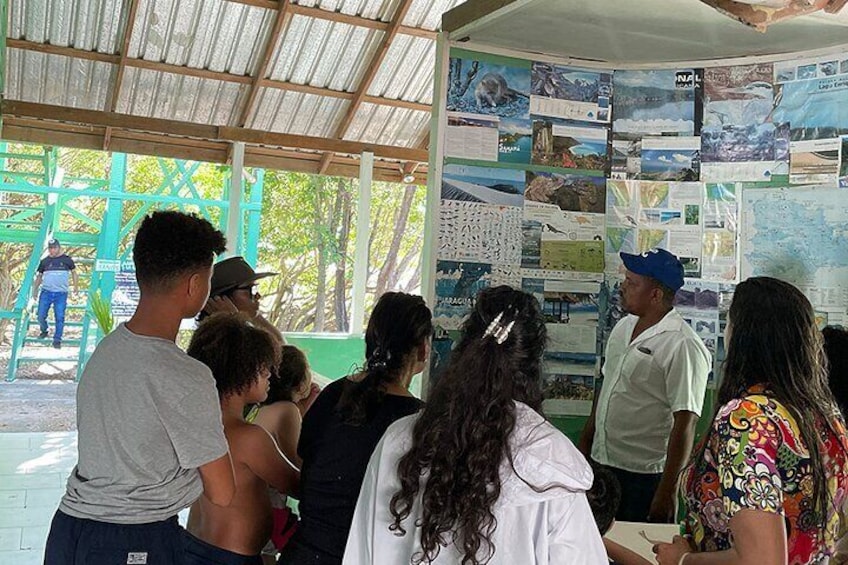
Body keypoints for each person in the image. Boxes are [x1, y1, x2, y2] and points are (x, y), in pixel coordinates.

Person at [344, 286, 607, 565]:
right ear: (534, 367)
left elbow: (361, 552)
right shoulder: (552, 459)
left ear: (462, 353)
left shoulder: (399, 440)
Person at [44, 211, 235, 565]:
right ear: (194, 285)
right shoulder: (185, 375)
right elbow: (223, 493)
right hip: (134, 538)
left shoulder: (106, 351)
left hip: (69, 530)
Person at [654, 277, 848, 565]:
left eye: (729, 322)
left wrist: (683, 560)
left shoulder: (746, 421)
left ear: (743, 335)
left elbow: (763, 560)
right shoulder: (826, 416)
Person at [278, 292, 432, 565]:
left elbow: (308, 461)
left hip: (303, 551)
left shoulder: (332, 395)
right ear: (423, 348)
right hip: (359, 555)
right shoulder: (418, 421)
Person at [579, 248, 711, 523]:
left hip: (644, 477)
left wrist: (667, 491)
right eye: (626, 280)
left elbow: (685, 422)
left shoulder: (683, 345)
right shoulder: (623, 327)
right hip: (602, 462)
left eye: (632, 282)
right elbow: (607, 385)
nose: (623, 287)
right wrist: (585, 444)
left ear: (656, 295)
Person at [184, 313, 300, 565]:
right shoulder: (249, 437)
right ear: (242, 371)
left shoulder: (197, 426)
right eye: (263, 367)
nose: (270, 374)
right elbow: (297, 485)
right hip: (231, 556)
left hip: (192, 544)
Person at [250, 345, 315, 560]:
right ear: (301, 381)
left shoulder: (259, 408)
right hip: (268, 508)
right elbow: (296, 462)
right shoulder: (287, 410)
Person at [201, 255, 285, 345]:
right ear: (222, 299)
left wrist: (251, 315)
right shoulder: (216, 341)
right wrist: (234, 320)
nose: (258, 296)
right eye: (250, 289)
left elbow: (281, 349)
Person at [33, 238, 78, 348]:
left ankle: (57, 339)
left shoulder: (67, 260)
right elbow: (39, 276)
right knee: (40, 315)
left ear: (59, 248)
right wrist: (35, 289)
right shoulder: (45, 261)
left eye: (54, 248)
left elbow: (74, 273)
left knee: (60, 316)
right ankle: (44, 330)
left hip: (61, 293)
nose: (52, 250)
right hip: (46, 292)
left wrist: (76, 287)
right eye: (50, 248)